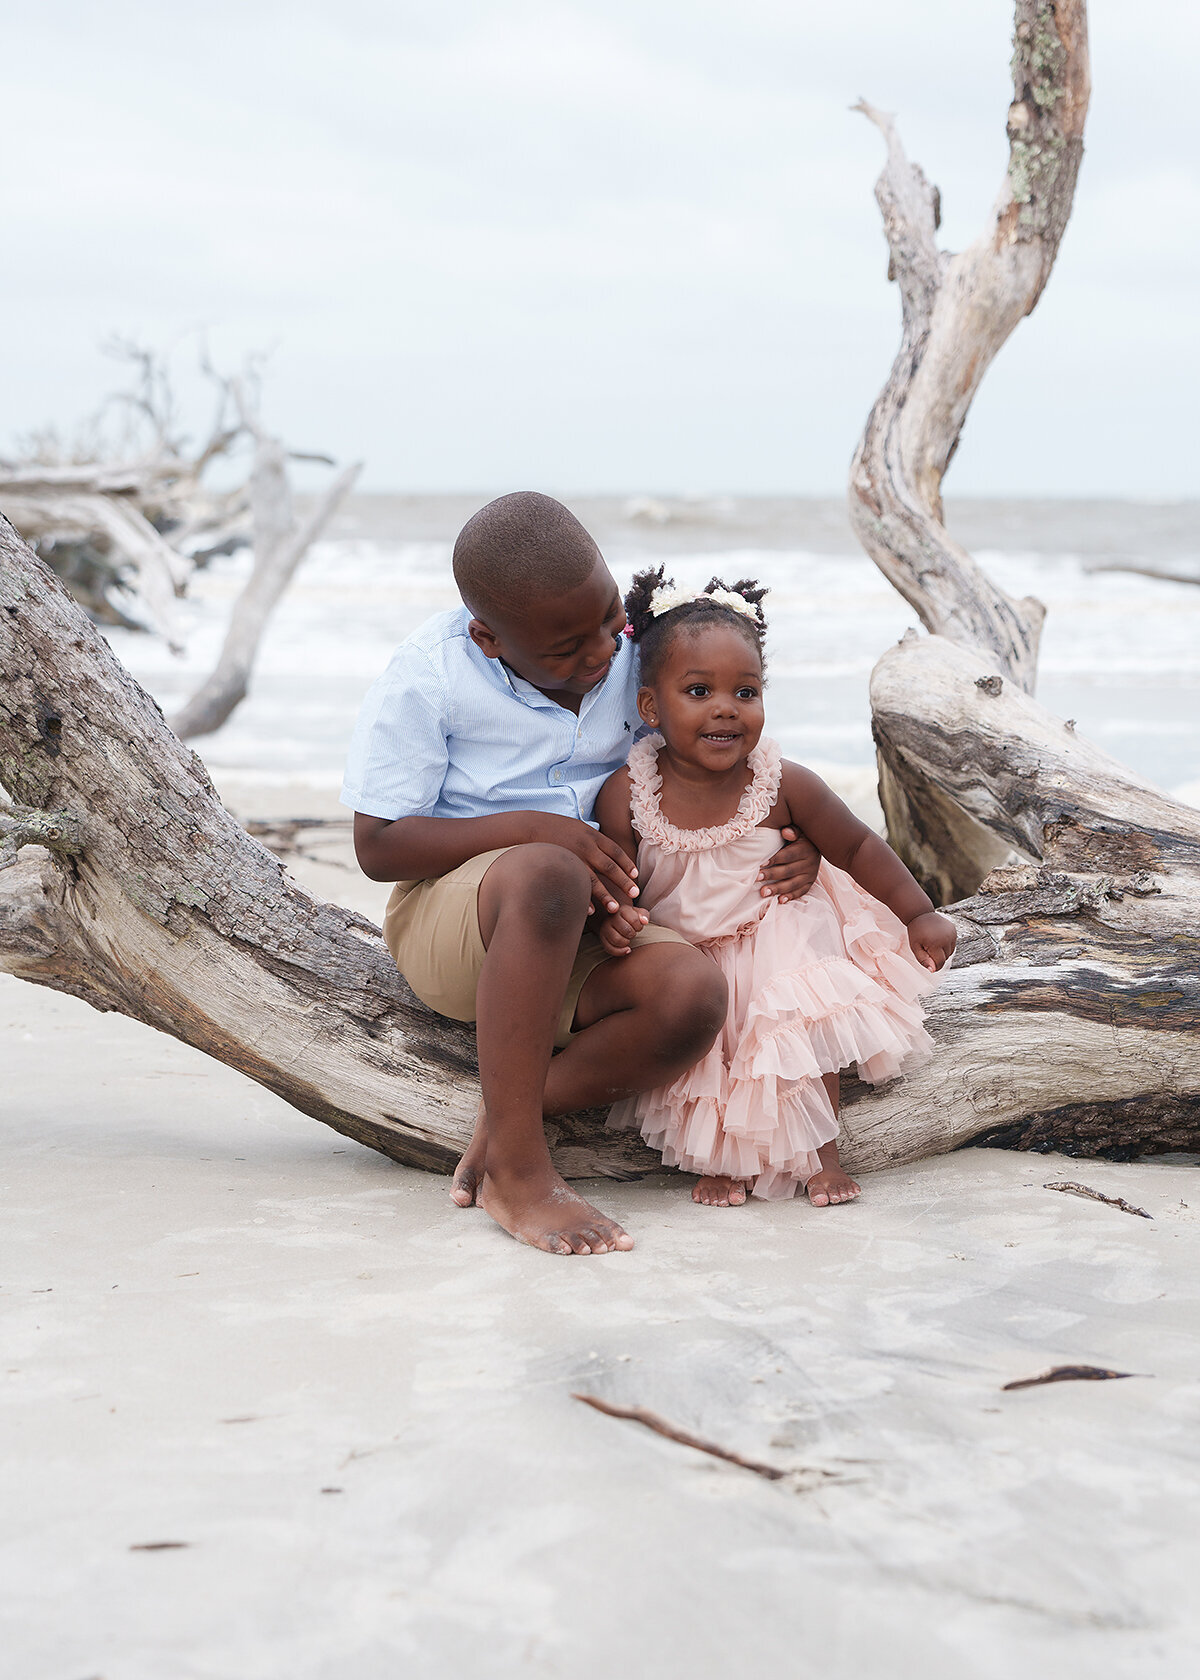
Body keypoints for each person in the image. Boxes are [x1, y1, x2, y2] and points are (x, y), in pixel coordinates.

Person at [342, 494, 822, 1255]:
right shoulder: (430, 677)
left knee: (693, 995)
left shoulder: (637, 650)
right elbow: (378, 846)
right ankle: (521, 1175)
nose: (601, 653)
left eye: (609, 621)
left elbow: (714, 758)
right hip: (460, 922)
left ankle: (504, 1121)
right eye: (567, 648)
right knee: (546, 874)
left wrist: (798, 840)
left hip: (589, 921)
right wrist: (539, 832)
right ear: (489, 639)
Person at [594, 567, 957, 1208]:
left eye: (747, 691)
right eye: (699, 690)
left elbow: (857, 846)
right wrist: (618, 917)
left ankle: (823, 1155)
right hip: (687, 946)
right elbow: (619, 879)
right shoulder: (627, 793)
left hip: (775, 924)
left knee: (793, 1018)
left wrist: (919, 912)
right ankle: (723, 1162)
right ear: (651, 707)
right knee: (713, 1051)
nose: (726, 708)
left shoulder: (783, 783)